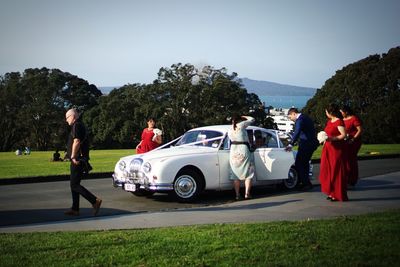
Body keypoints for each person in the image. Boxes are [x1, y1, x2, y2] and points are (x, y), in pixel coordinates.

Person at [64, 108, 102, 216]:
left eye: (67, 118)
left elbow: (77, 141)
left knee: (75, 185)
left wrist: (72, 156)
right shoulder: (79, 125)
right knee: (74, 184)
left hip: (77, 159)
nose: (66, 120)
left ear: (73, 116)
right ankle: (75, 209)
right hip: (79, 158)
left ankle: (95, 201)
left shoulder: (76, 125)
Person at [319, 104, 348, 201]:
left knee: (336, 170)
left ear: (330, 112)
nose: (326, 114)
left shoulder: (339, 121)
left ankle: (337, 193)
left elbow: (343, 135)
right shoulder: (329, 121)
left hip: (336, 149)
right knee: (328, 170)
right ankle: (331, 192)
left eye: (326, 112)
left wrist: (332, 138)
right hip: (328, 147)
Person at [286, 108, 319, 190]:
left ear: (294, 113)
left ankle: (305, 183)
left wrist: (291, 144)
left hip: (306, 144)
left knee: (299, 163)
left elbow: (297, 132)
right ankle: (306, 182)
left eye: (290, 117)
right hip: (311, 144)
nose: (291, 119)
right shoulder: (305, 117)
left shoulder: (299, 120)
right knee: (304, 163)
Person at [228, 115, 255, 200]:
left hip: (233, 151)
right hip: (243, 149)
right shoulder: (242, 125)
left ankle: (237, 195)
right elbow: (252, 119)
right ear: (239, 120)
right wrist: (243, 116)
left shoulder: (229, 130)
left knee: (236, 174)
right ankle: (247, 194)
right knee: (248, 172)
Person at [340, 105, 363, 186]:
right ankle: (347, 178)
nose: (341, 113)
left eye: (342, 112)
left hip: (354, 142)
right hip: (346, 142)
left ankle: (353, 179)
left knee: (351, 160)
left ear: (346, 112)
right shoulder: (342, 120)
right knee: (346, 161)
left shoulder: (354, 118)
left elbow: (360, 130)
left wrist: (353, 139)